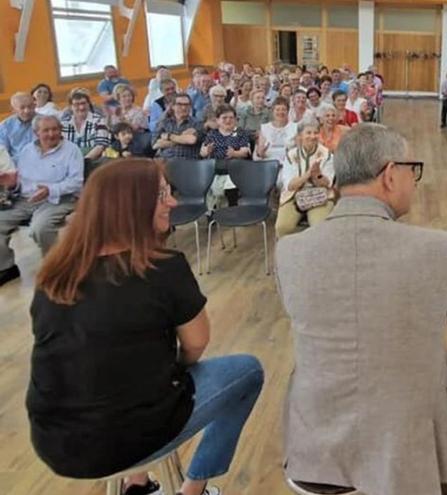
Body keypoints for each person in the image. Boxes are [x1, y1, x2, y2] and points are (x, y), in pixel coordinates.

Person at [26, 159, 263, 495]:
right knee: (248, 372)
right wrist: (172, 372)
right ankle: (192, 490)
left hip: (54, 441)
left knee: (125, 376)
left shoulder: (54, 273)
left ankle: (137, 483)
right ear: (130, 206)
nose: (174, 202)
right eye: (162, 194)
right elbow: (196, 345)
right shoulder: (164, 269)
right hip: (124, 440)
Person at [276, 123, 447, 495]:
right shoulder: (437, 248)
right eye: (412, 170)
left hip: (316, 448)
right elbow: (443, 317)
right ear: (390, 175)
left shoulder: (290, 251)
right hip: (406, 451)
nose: (414, 181)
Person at [0, 115, 83, 286]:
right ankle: (6, 267)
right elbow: (20, 180)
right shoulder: (26, 150)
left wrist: (49, 190)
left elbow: (76, 182)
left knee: (40, 228)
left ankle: (58, 268)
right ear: (36, 133)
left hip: (58, 199)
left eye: (55, 129)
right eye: (46, 130)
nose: (52, 134)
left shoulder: (71, 150)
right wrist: (12, 184)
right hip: (26, 199)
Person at [275, 122, 335, 237]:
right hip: (294, 196)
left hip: (320, 195)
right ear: (300, 136)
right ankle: (287, 252)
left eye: (315, 133)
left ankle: (315, 253)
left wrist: (317, 175)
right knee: (282, 227)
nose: (312, 136)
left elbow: (328, 184)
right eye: (308, 133)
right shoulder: (291, 155)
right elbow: (290, 185)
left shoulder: (327, 155)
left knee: (320, 227)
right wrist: (307, 175)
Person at [60, 91, 110, 160]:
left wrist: (84, 161)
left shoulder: (99, 121)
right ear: (70, 107)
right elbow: (60, 147)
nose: (81, 107)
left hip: (92, 162)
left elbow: (101, 146)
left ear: (89, 104)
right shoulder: (63, 124)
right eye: (76, 104)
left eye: (83, 103)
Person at [255, 97, 297, 176]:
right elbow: (260, 153)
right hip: (268, 165)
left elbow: (299, 151)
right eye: (277, 109)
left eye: (283, 109)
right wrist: (261, 152)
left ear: (288, 111)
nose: (280, 112)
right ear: (272, 111)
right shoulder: (265, 128)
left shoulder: (295, 127)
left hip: (289, 165)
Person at [152, 93, 201, 160]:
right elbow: (155, 145)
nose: (183, 108)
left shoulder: (196, 123)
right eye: (180, 104)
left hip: (187, 161)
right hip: (166, 161)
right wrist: (182, 138)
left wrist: (169, 136)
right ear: (173, 106)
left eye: (186, 105)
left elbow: (191, 140)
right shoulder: (164, 122)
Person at [0, 92, 37, 162]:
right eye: (22, 108)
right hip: (16, 166)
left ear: (35, 106)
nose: (27, 111)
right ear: (13, 110)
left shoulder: (45, 121)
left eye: (30, 106)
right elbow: (2, 153)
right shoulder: (5, 127)